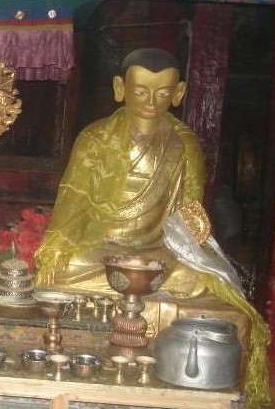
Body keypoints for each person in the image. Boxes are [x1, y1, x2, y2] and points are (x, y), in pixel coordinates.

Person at [34, 48, 207, 297]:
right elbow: (74, 202)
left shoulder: (185, 145)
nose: (151, 101)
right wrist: (58, 247)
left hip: (157, 251)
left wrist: (193, 240)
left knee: (195, 276)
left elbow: (189, 210)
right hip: (102, 247)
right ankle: (138, 285)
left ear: (178, 92)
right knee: (67, 267)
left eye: (162, 93)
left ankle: (130, 284)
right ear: (120, 87)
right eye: (140, 92)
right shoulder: (95, 138)